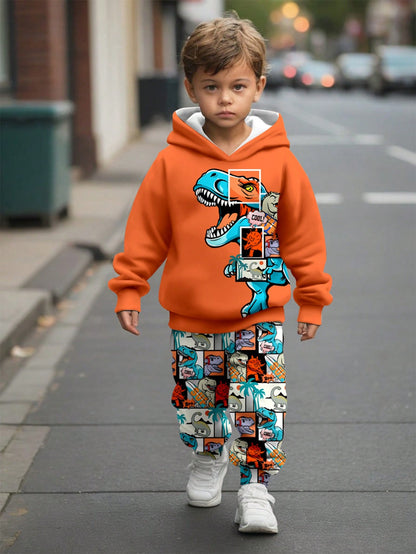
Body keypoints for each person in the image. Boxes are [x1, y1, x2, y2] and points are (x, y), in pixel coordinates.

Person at [108, 14, 332, 534]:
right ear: (191, 88)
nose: (225, 99)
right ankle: (208, 458)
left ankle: (256, 488)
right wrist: (129, 288)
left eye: (237, 86)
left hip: (259, 312)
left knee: (258, 403)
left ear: (259, 86)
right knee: (199, 403)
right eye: (211, 87)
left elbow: (302, 235)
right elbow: (147, 233)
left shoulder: (280, 162)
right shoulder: (171, 163)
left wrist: (313, 297)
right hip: (191, 315)